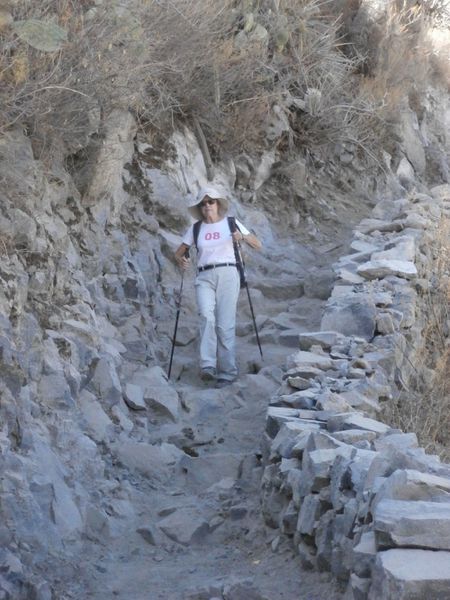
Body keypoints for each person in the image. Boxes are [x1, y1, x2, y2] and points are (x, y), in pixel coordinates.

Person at [175, 186, 262, 388]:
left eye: (210, 202)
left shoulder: (231, 223)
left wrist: (243, 237)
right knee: (206, 315)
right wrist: (182, 261)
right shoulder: (196, 228)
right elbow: (179, 252)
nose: (207, 206)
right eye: (203, 203)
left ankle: (228, 372)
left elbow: (257, 244)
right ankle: (208, 365)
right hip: (204, 274)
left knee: (225, 324)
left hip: (229, 273)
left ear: (218, 204)